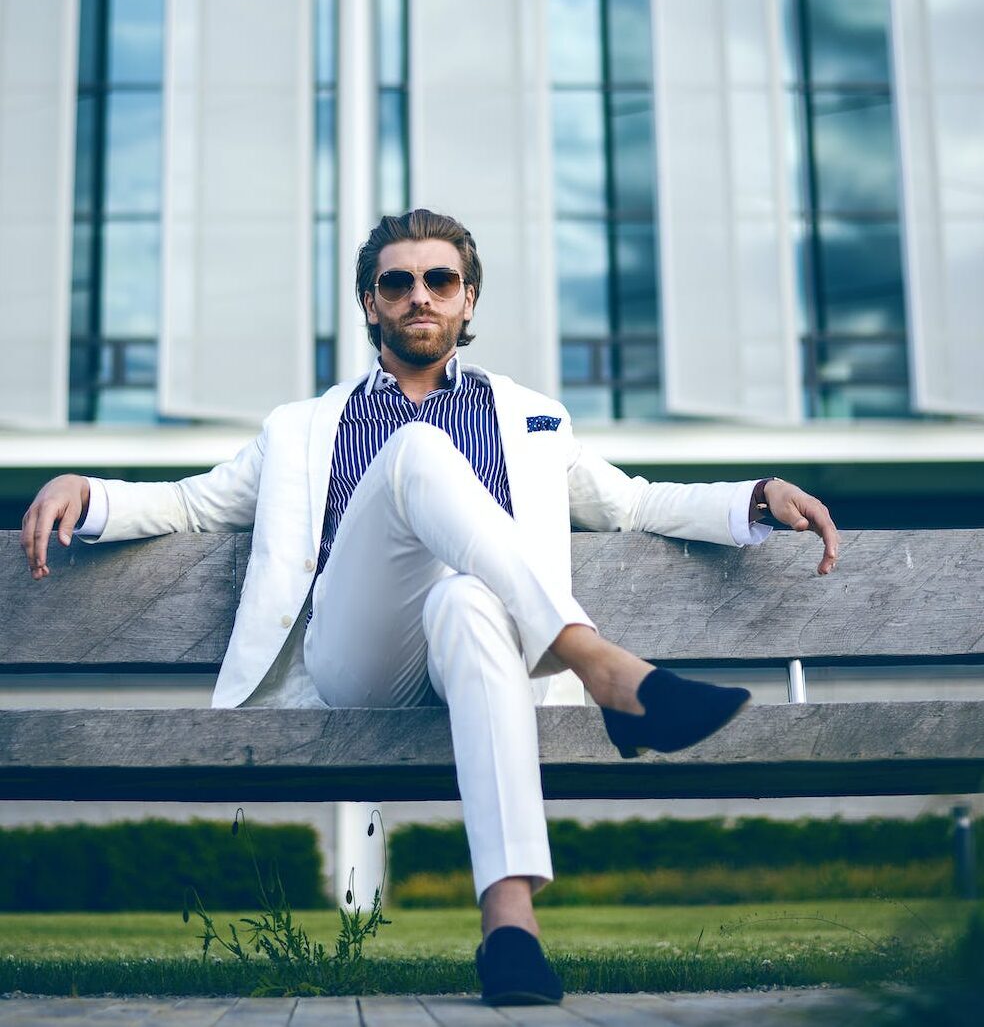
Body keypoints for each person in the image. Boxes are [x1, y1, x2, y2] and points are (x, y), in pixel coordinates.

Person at [21, 208, 839, 1006]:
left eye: (440, 279)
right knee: (415, 448)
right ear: (371, 302)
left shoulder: (532, 418)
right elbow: (195, 506)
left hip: (482, 647)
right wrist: (85, 490)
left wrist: (756, 498)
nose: (420, 294)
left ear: (467, 298)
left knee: (466, 599)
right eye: (398, 281)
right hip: (359, 658)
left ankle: (509, 927)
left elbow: (633, 504)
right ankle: (602, 665)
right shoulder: (304, 428)